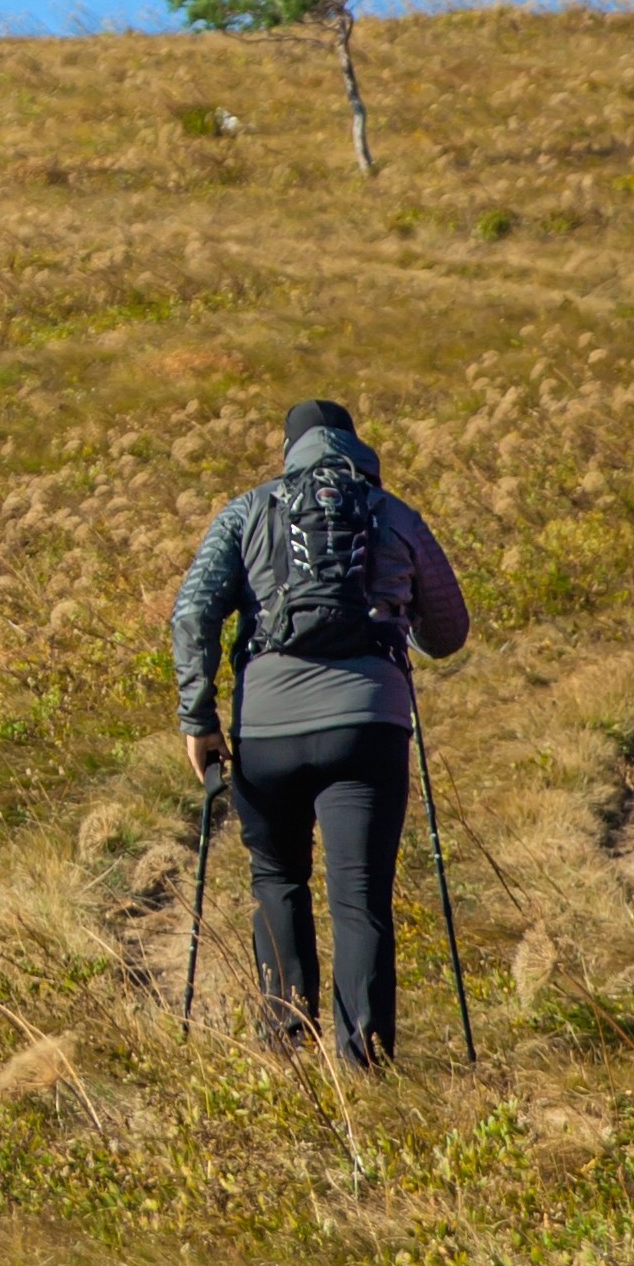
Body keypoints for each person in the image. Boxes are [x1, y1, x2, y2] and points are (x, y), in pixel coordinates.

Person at [171, 399, 474, 1064]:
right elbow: (449, 631)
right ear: (357, 446)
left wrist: (199, 720)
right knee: (360, 897)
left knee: (277, 878)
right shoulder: (394, 514)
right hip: (367, 727)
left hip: (267, 730)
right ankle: (363, 1061)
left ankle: (287, 1049)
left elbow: (192, 613)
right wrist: (399, 622)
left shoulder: (248, 510)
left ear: (290, 450)